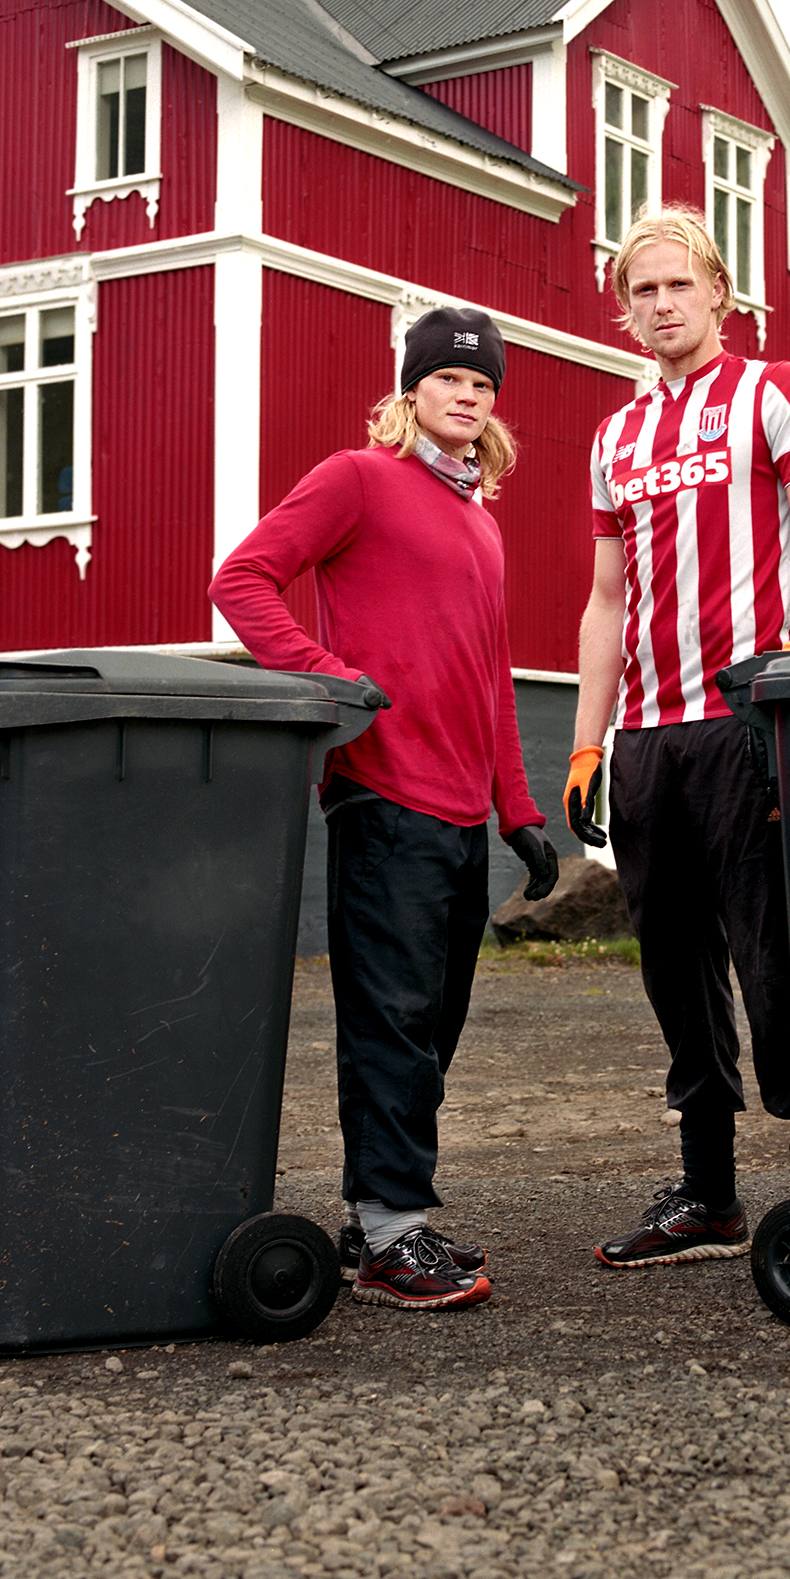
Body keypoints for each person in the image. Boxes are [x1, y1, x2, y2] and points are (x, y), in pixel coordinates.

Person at [209, 306, 558, 1311]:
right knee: (391, 1026)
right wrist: (330, 679)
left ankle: (377, 1216)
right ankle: (394, 1229)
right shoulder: (358, 479)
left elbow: (491, 675)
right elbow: (243, 578)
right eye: (449, 378)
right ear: (412, 391)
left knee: (431, 1028)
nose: (467, 393)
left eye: (484, 384)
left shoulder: (483, 524)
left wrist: (519, 810)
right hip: (382, 794)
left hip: (458, 814)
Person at [566, 207, 790, 1269]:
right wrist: (589, 742)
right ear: (625, 307)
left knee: (774, 962)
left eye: (680, 285)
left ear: (719, 293)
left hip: (744, 722)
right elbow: (604, 602)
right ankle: (709, 1194)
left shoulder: (777, 393)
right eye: (644, 290)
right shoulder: (615, 436)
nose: (663, 305)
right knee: (674, 972)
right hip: (647, 737)